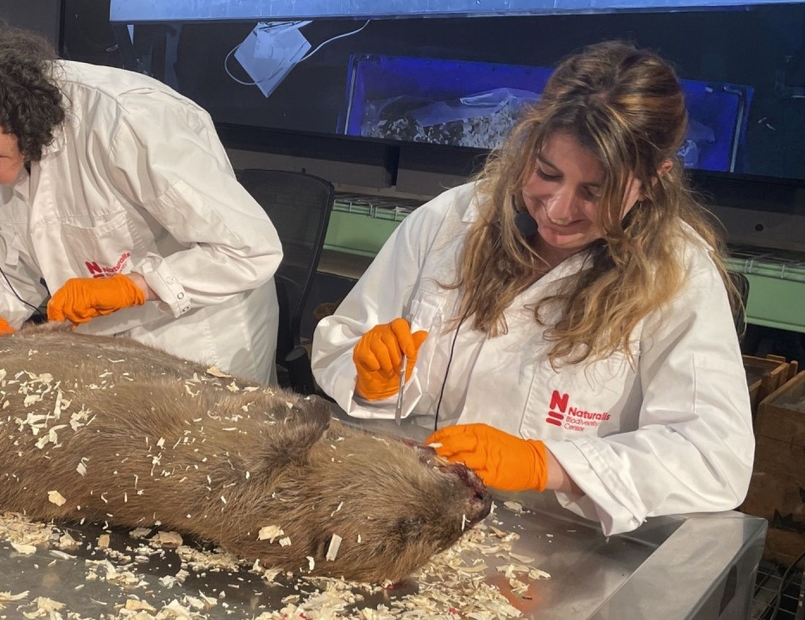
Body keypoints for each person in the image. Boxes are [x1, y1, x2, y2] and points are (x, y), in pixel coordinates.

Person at [311, 41, 753, 536]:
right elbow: (347, 341)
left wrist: (550, 465)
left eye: (595, 191)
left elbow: (714, 457)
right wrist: (370, 377)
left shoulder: (676, 274)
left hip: (553, 539)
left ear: (652, 181)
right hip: (411, 506)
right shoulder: (452, 220)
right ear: (529, 140)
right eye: (547, 173)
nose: (559, 210)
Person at [0, 16, 283, 383]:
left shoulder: (127, 120)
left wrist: (137, 286)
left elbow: (249, 250)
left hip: (200, 337)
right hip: (100, 348)